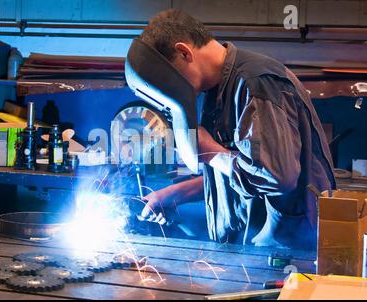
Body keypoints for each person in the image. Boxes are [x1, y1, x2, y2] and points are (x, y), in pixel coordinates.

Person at [134, 9, 335, 249]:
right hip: (249, 250)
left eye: (168, 83)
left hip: (287, 256)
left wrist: (208, 151)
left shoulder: (255, 83)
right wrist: (173, 195)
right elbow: (239, 169)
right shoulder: (218, 88)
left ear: (184, 52)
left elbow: (276, 178)